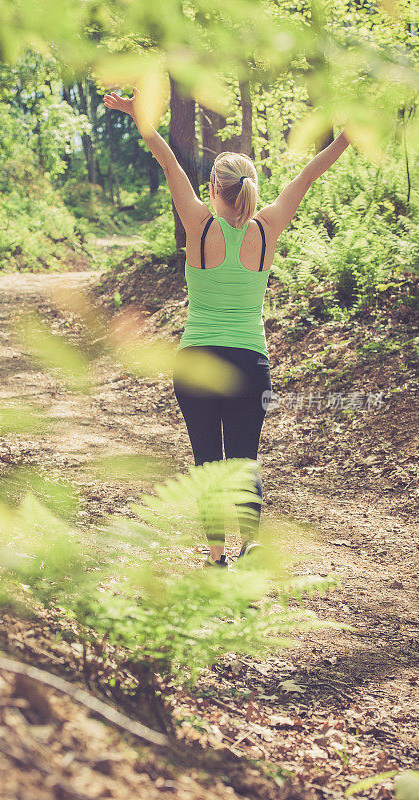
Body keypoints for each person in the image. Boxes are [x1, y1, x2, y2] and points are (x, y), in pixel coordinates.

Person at [103, 87, 351, 568]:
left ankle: (216, 555)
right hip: (250, 362)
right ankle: (249, 543)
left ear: (214, 190)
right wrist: (347, 135)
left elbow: (169, 161)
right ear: (251, 189)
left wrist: (138, 112)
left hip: (197, 358)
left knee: (208, 464)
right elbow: (310, 173)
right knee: (244, 460)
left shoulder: (198, 225)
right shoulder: (268, 227)